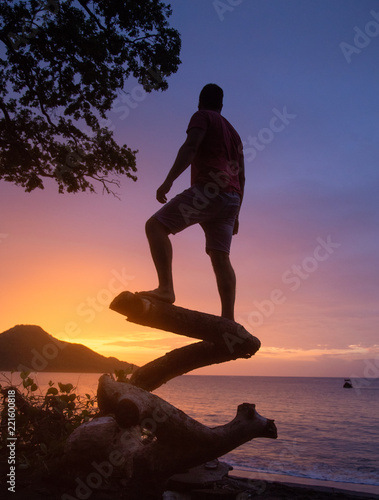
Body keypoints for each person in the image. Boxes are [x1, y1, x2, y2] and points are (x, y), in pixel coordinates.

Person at [138, 83, 245, 321]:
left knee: (155, 226)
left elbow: (191, 146)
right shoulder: (234, 134)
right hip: (231, 198)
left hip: (209, 189)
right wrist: (237, 213)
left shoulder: (201, 116)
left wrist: (168, 181)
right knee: (220, 257)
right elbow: (242, 174)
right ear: (222, 105)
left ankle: (166, 288)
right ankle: (228, 319)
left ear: (200, 101)